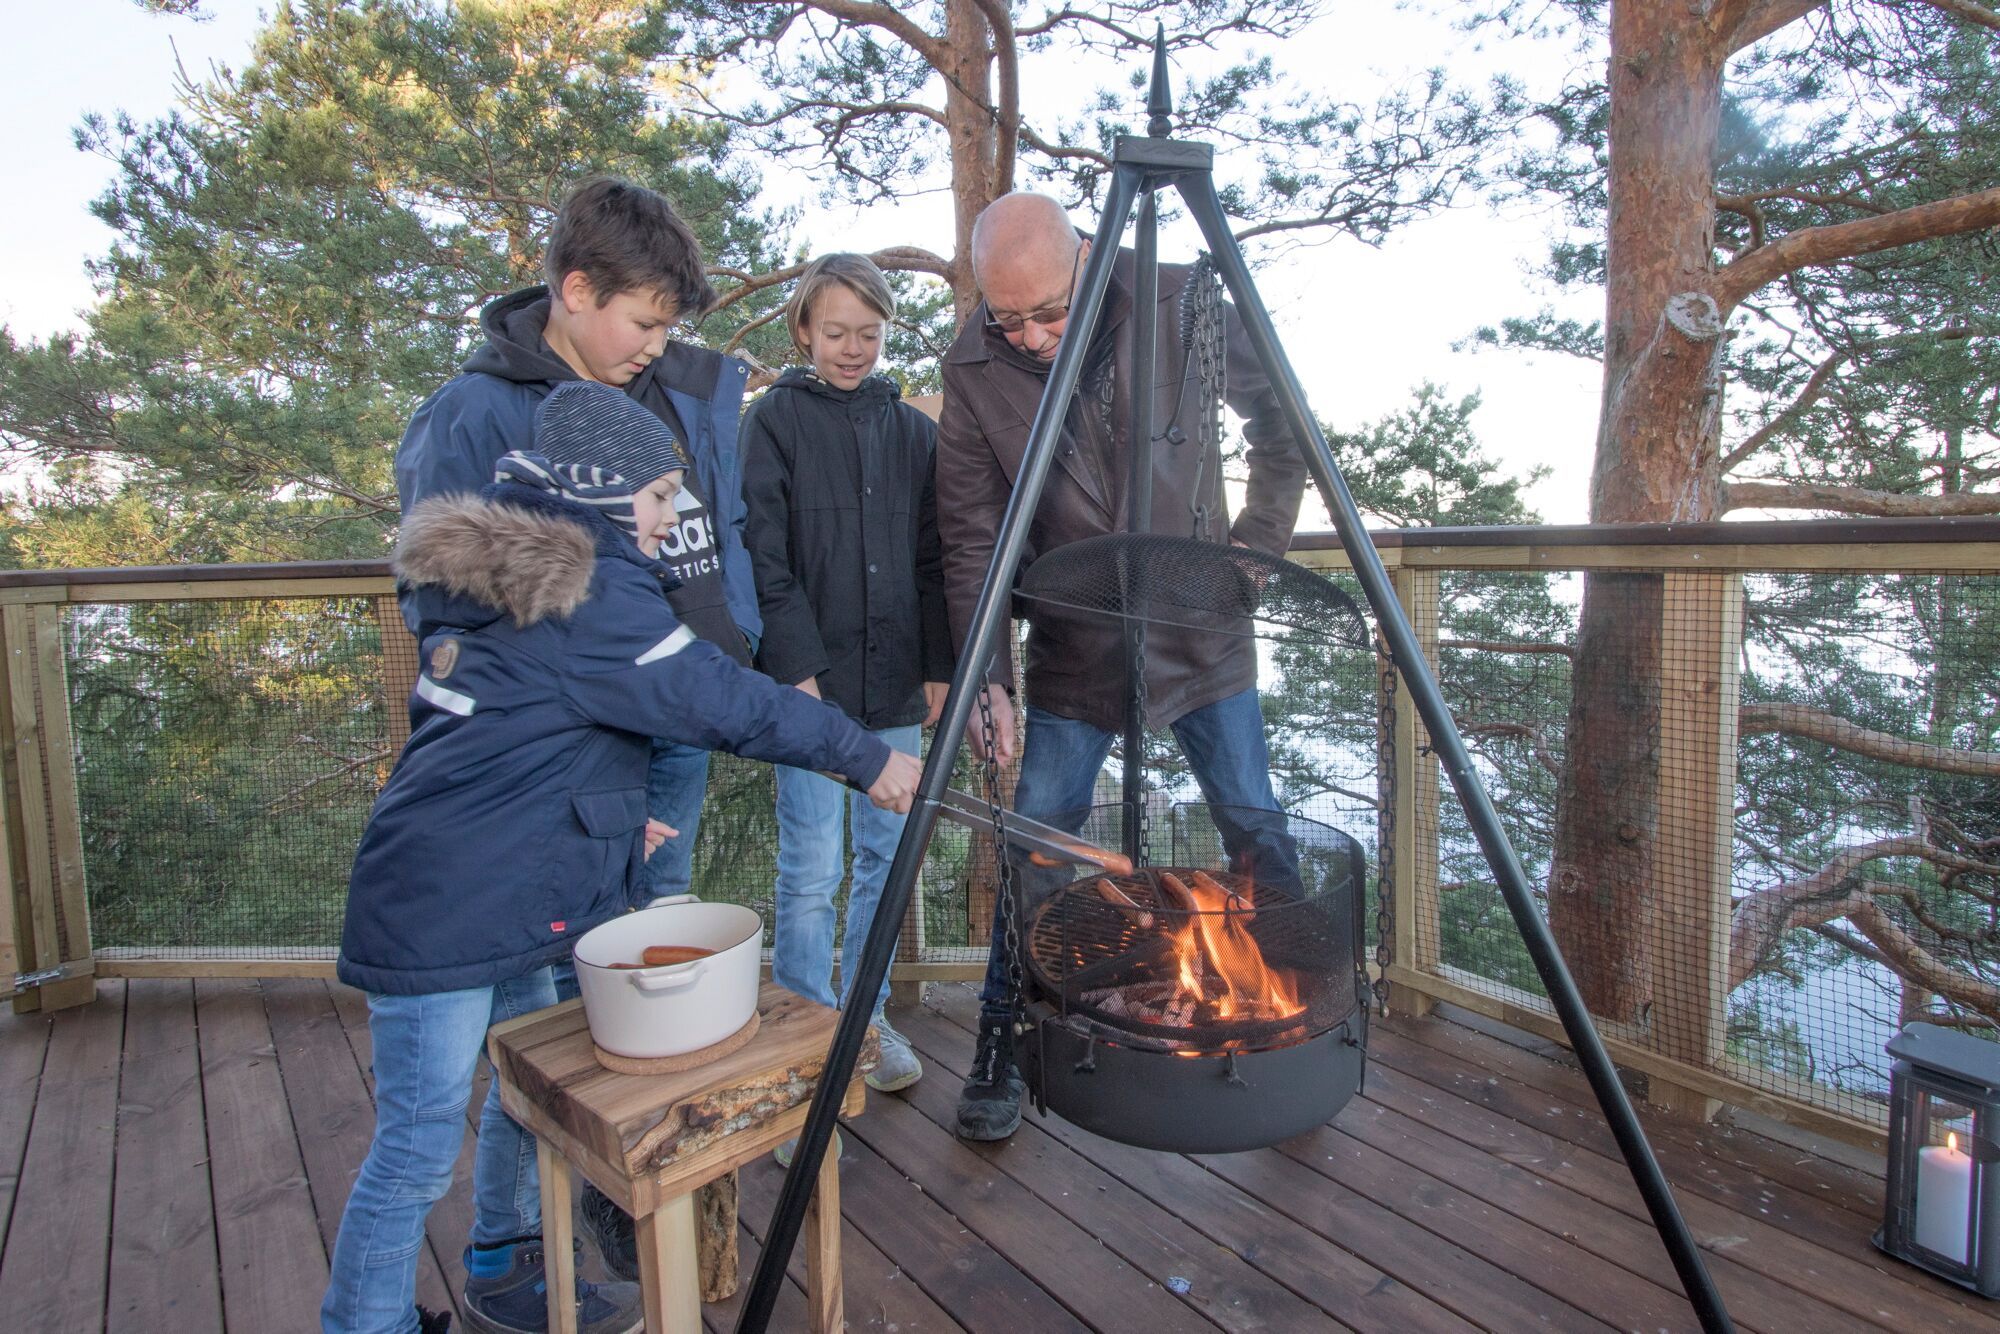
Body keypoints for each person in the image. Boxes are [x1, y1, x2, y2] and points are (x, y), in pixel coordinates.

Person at [323, 382, 922, 1334]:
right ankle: (366, 1324)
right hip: (442, 907)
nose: (671, 517)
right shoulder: (588, 589)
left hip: (500, 882)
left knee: (527, 1096)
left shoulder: (527, 577)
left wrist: (596, 814)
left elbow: (515, 733)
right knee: (416, 1144)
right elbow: (725, 700)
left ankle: (505, 1270)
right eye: (657, 496)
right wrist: (866, 757)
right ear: (601, 493)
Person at [934, 191, 1308, 1142]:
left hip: (1202, 632)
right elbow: (973, 539)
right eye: (1005, 318)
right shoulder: (974, 370)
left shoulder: (1178, 299)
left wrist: (1255, 552)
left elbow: (1282, 425)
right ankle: (1000, 1044)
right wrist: (990, 676)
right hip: (1075, 648)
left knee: (1256, 826)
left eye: (1048, 312)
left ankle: (1299, 1036)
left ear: (1091, 258)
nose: (1027, 338)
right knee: (1038, 844)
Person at [395, 175, 761, 909]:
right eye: (643, 323)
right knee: (552, 937)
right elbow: (441, 597)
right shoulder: (472, 414)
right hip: (557, 740)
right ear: (577, 289)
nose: (658, 348)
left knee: (658, 917)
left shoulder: (669, 395)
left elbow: (717, 534)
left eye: (668, 329)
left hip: (672, 711)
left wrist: (729, 641)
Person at [741, 253, 952, 1101]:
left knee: (884, 856)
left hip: (898, 678)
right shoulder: (774, 424)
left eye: (869, 333)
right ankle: (803, 1025)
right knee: (810, 861)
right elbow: (761, 557)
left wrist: (940, 667)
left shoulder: (915, 434)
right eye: (835, 332)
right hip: (809, 690)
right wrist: (795, 673)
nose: (853, 348)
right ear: (803, 330)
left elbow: (937, 562)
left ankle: (864, 1018)